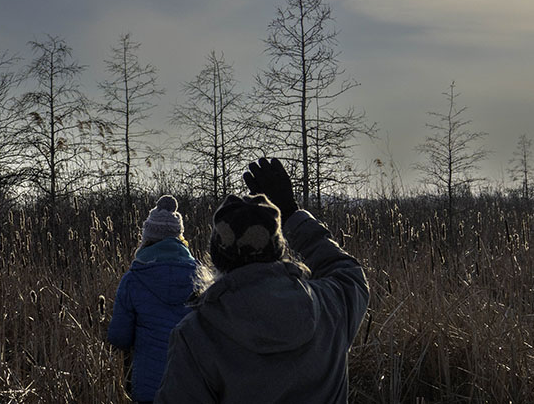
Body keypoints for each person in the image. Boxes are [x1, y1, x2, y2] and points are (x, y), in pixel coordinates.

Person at [154, 158, 369, 404]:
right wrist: (291, 213)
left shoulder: (196, 335)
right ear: (279, 249)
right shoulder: (330, 306)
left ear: (215, 257)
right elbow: (348, 271)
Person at [108, 195, 200, 403]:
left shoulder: (133, 279)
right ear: (179, 237)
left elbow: (118, 337)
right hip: (193, 387)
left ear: (147, 238)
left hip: (149, 388)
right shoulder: (201, 278)